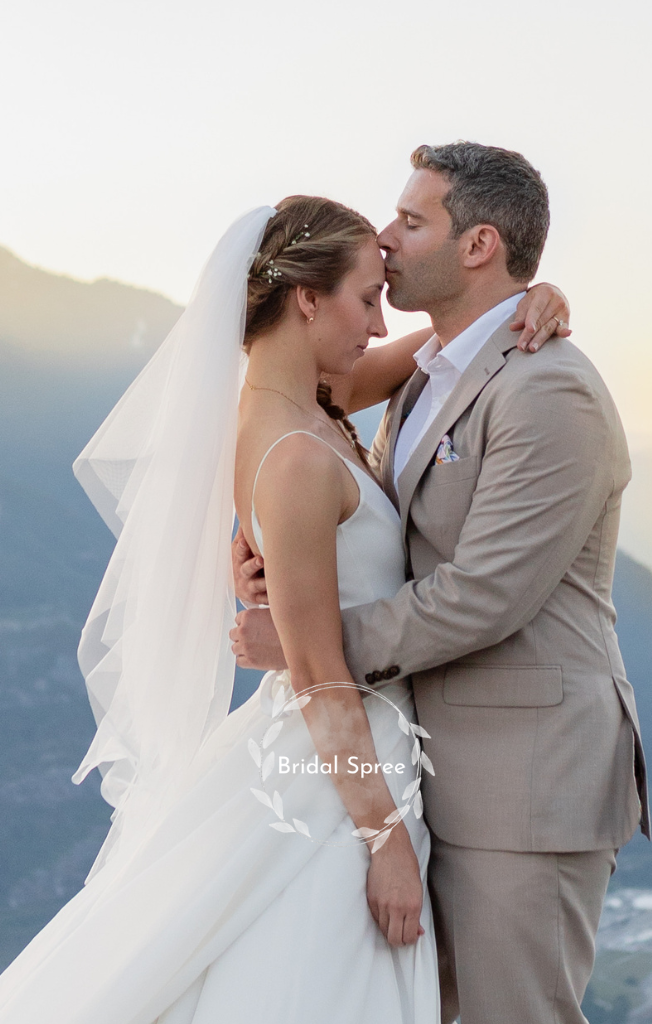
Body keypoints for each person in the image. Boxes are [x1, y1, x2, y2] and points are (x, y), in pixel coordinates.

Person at [0, 188, 565, 1024]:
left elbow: (442, 350)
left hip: (354, 751)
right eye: (366, 299)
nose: (377, 324)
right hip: (337, 771)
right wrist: (383, 843)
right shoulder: (297, 452)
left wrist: (530, 300)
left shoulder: (301, 408)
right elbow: (316, 675)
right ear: (306, 299)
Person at [231, 143, 650, 1024]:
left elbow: (485, 595)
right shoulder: (423, 379)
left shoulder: (548, 392)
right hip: (418, 766)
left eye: (411, 221)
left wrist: (313, 648)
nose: (385, 240)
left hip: (524, 782)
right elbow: (295, 434)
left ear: (478, 246)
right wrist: (260, 538)